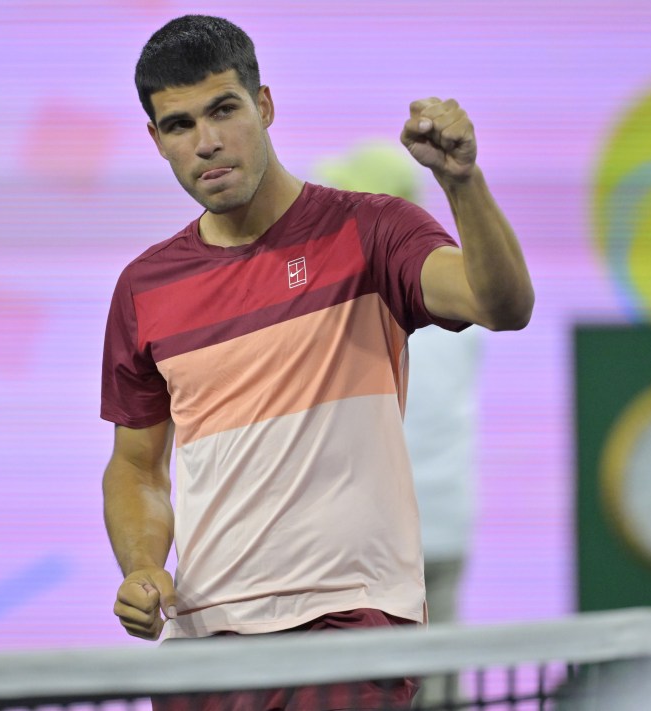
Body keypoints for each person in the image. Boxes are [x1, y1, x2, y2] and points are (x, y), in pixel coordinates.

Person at [100, 14, 533, 710]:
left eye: (223, 110)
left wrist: (463, 182)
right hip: (204, 643)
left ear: (264, 105)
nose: (206, 142)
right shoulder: (143, 288)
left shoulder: (371, 230)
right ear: (156, 139)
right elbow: (137, 467)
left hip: (349, 623)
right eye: (179, 125)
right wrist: (144, 566)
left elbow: (501, 303)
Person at [315, 141, 482, 709]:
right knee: (435, 690)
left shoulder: (354, 304)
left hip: (371, 538)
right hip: (444, 525)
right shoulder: (459, 294)